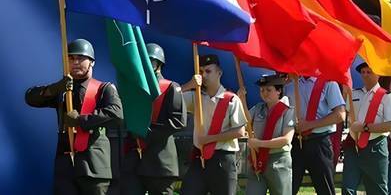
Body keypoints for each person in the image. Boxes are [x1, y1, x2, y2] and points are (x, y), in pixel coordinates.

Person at [25, 39, 123, 195]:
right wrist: (55, 88)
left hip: (93, 166)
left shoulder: (104, 88)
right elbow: (31, 98)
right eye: (71, 58)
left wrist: (80, 120)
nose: (75, 62)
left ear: (92, 62)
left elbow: (116, 113)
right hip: (66, 165)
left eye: (80, 58)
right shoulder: (63, 90)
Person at [122, 43, 186, 195]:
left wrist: (147, 131)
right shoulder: (134, 89)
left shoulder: (170, 87)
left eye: (150, 61)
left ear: (159, 64)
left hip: (160, 162)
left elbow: (178, 121)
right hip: (134, 162)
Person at [180, 54, 247, 195]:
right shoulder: (196, 97)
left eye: (208, 71)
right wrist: (189, 85)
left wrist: (209, 139)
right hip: (199, 159)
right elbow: (170, 99)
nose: (204, 75)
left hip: (222, 160)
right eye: (201, 71)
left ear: (219, 73)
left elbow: (240, 132)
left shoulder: (231, 100)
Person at [342, 61, 391, 195]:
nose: (365, 75)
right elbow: (345, 113)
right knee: (348, 188)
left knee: (377, 189)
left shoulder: (386, 96)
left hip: (375, 146)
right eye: (363, 72)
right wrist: (345, 93)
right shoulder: (353, 94)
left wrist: (365, 128)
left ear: (378, 74)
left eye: (369, 72)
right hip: (353, 146)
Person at [288, 73, 346, 195]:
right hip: (295, 142)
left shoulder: (329, 83)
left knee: (325, 190)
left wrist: (310, 124)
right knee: (288, 189)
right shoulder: (290, 85)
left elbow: (340, 115)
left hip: (319, 142)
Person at [246, 73, 295, 195]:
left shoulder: (288, 111)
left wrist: (259, 143)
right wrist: (241, 99)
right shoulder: (258, 108)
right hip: (257, 159)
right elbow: (244, 121)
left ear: (279, 91)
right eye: (262, 90)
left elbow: (286, 139)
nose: (264, 93)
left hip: (278, 161)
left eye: (269, 90)